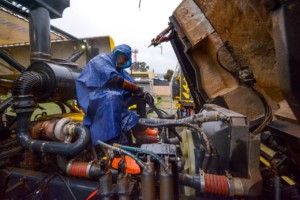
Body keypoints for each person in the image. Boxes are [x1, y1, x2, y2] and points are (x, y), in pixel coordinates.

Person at [76, 44, 158, 146]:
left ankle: (141, 131)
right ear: (118, 53)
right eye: (124, 58)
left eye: (127, 60)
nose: (124, 62)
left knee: (141, 97)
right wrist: (136, 89)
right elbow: (115, 79)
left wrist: (142, 93)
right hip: (92, 99)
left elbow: (132, 84)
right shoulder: (101, 60)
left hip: (112, 97)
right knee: (112, 96)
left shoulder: (120, 70)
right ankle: (112, 143)